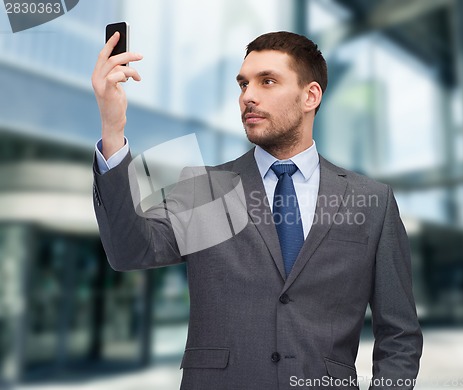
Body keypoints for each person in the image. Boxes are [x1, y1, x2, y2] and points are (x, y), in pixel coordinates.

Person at [91, 31, 423, 389]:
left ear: (310, 95)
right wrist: (113, 129)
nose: (248, 96)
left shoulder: (371, 201)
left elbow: (399, 335)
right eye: (243, 84)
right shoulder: (206, 188)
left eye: (267, 82)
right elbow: (130, 250)